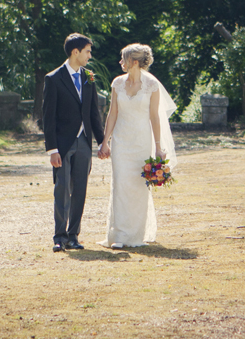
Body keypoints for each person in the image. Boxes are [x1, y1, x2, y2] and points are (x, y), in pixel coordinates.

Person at [98, 43, 177, 249]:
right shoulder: (117, 83)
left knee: (137, 186)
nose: (120, 62)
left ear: (133, 62)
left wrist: (158, 147)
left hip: (142, 141)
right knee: (120, 184)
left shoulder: (151, 85)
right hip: (121, 142)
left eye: (123, 59)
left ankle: (135, 235)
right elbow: (112, 113)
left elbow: (154, 117)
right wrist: (105, 141)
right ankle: (120, 236)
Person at [43, 33, 106, 252]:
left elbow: (93, 113)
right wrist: (52, 149)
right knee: (62, 189)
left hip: (84, 142)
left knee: (80, 190)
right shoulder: (53, 78)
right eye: (87, 51)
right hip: (62, 144)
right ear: (75, 52)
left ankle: (73, 236)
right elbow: (48, 118)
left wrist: (102, 142)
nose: (90, 55)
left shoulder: (89, 77)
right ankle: (59, 237)